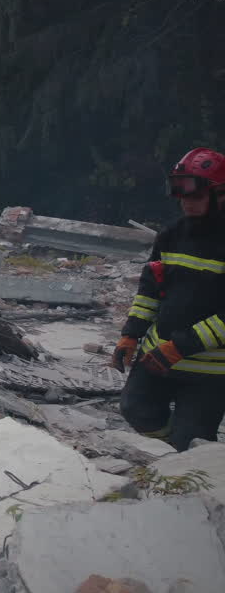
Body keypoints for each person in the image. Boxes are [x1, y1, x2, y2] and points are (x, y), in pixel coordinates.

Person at [112, 147, 225, 451]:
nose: (186, 202)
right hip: (157, 355)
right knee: (135, 409)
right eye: (182, 195)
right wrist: (130, 335)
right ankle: (177, 457)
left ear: (220, 194)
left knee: (193, 441)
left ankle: (185, 465)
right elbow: (150, 291)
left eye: (195, 196)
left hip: (209, 372)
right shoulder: (171, 236)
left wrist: (181, 347)